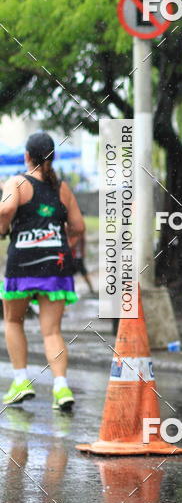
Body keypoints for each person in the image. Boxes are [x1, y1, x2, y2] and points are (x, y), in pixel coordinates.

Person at [0, 132, 85, 410]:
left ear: (27, 156)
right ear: (52, 157)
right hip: (55, 265)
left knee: (14, 322)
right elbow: (79, 227)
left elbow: (6, 210)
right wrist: (63, 246)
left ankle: (21, 381)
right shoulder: (61, 188)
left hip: (22, 264)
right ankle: (61, 388)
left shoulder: (17, 182)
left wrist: (2, 229)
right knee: (52, 331)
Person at [68, 211, 94, 295]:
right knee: (77, 273)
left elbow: (80, 241)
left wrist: (82, 252)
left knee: (76, 273)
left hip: (76, 256)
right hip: (74, 255)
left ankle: (90, 289)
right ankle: (90, 289)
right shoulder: (75, 226)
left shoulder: (79, 227)